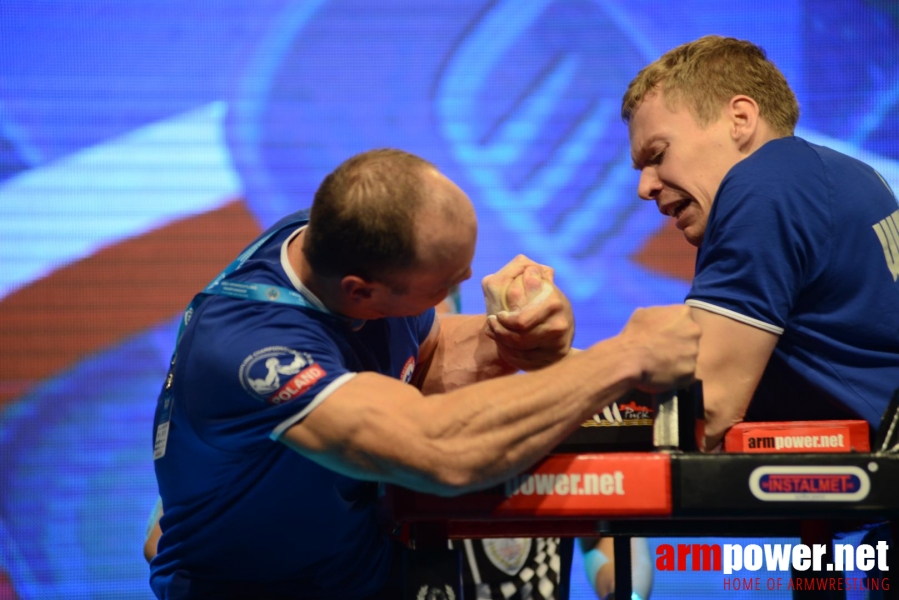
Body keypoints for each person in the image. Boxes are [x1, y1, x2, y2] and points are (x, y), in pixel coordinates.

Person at [148, 148, 701, 599]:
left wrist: (515, 338)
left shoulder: (331, 240)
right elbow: (439, 450)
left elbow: (429, 353)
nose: (465, 289)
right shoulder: (256, 352)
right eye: (444, 286)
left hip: (360, 576)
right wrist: (624, 356)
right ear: (360, 291)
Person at [622, 35, 899, 451]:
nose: (645, 187)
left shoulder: (768, 182)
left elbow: (702, 409)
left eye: (658, 154)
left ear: (740, 119)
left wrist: (549, 392)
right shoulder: (844, 175)